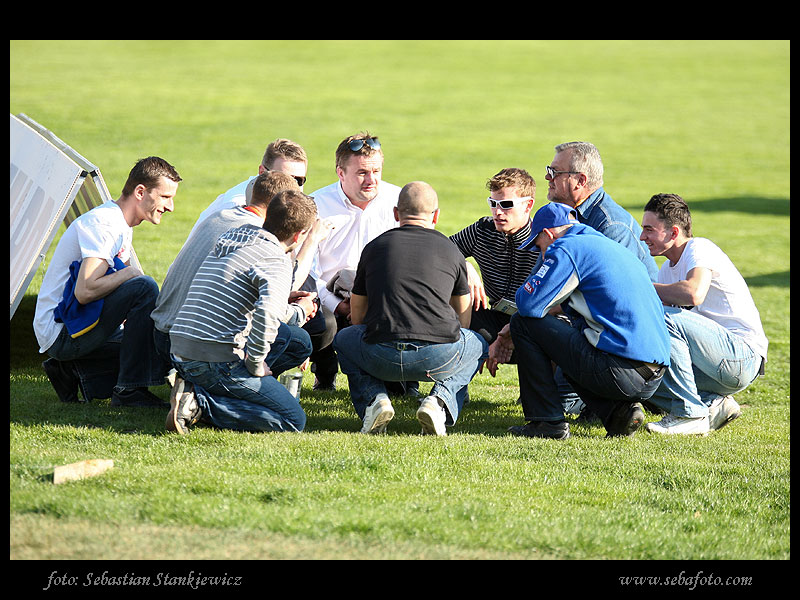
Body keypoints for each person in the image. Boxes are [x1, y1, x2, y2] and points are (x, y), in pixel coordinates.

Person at [501, 202, 671, 440]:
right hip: (653, 375)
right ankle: (620, 415)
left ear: (548, 234)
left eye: (539, 247)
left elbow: (528, 305)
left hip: (622, 372)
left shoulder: (567, 247)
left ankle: (547, 423)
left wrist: (543, 262)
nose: (541, 254)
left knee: (522, 322)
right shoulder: (604, 244)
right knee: (576, 344)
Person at [333, 182, 489, 435]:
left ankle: (375, 400)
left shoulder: (374, 248)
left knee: (344, 338)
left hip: (380, 351)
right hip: (439, 356)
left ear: (396, 214)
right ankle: (440, 401)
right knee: (478, 343)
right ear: (436, 215)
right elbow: (464, 319)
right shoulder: (452, 251)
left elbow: (358, 315)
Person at [166, 189, 318, 434]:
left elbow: (241, 294)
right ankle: (198, 405)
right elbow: (267, 316)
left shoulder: (237, 235)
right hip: (214, 359)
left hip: (180, 349)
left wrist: (293, 309)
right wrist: (256, 364)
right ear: (300, 235)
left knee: (297, 342)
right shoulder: (275, 259)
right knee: (293, 419)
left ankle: (200, 388)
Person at [35, 157, 182, 407]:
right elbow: (85, 290)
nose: (171, 207)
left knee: (162, 348)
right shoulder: (106, 225)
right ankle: (128, 392)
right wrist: (130, 274)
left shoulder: (118, 222)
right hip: (62, 331)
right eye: (166, 197)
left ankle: (73, 370)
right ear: (140, 192)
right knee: (144, 287)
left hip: (73, 326)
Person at [151, 171, 320, 366]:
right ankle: (224, 387)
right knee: (298, 340)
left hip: (163, 332)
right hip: (198, 343)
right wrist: (300, 310)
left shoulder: (220, 215)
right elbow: (269, 314)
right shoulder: (258, 237)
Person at [639, 193, 768, 435]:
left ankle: (689, 414)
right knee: (643, 375)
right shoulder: (666, 270)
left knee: (662, 318)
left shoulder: (699, 248)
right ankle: (713, 404)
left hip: (742, 357)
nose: (642, 236)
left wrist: (642, 288)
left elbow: (694, 293)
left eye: (649, 229)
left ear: (674, 232)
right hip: (711, 364)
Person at [307, 132, 408, 393]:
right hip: (330, 297)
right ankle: (325, 375)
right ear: (340, 173)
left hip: (384, 298)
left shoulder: (400, 201)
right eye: (362, 172)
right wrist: (340, 305)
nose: (371, 180)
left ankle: (402, 379)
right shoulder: (316, 206)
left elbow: (421, 254)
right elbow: (307, 271)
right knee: (323, 321)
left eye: (376, 171)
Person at [546, 141, 658, 281]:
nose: (548, 177)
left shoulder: (612, 226)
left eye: (555, 172)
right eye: (549, 170)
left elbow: (615, 285)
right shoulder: (566, 213)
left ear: (581, 180)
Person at [188, 138, 308, 235]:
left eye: (298, 180)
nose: (292, 186)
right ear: (262, 172)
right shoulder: (236, 208)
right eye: (283, 178)